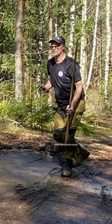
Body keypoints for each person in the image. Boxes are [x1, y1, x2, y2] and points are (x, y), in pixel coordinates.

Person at [41, 35, 89, 177]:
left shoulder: (71, 64)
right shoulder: (50, 63)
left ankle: (68, 164)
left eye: (57, 45)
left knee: (68, 134)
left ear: (63, 47)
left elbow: (79, 86)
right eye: (52, 46)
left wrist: (72, 104)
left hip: (76, 103)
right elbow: (52, 79)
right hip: (61, 104)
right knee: (58, 134)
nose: (54, 48)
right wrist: (47, 87)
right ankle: (80, 152)